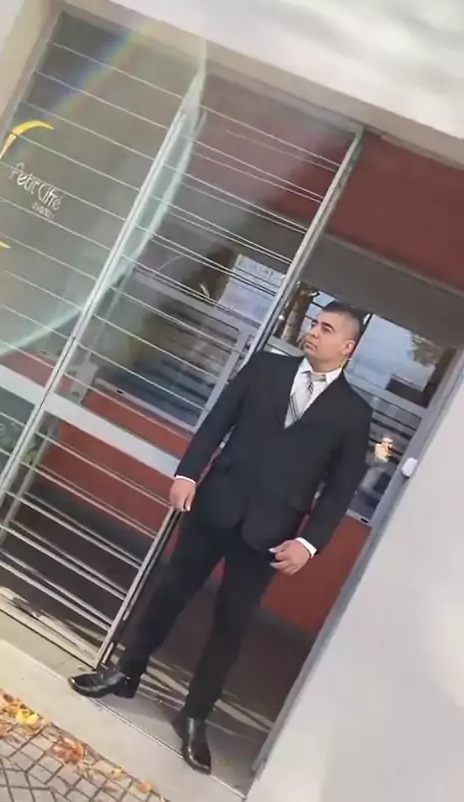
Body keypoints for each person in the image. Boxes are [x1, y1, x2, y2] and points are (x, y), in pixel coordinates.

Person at [69, 301, 372, 775]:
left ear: (347, 347)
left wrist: (309, 543)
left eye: (326, 328)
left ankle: (194, 716)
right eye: (315, 323)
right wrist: (188, 473)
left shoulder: (354, 414)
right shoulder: (266, 368)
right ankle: (125, 674)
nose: (314, 331)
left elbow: (340, 488)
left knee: (231, 626)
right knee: (170, 593)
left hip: (270, 533)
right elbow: (218, 421)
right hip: (216, 504)